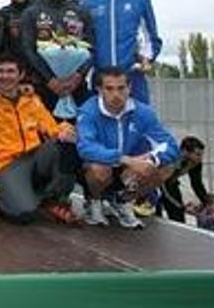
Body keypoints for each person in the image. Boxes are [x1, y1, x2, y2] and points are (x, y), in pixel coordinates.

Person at [0, 54, 79, 224]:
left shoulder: (32, 100)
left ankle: (55, 199)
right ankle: (11, 198)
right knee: (23, 214)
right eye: (0, 72)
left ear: (21, 75)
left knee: (66, 143)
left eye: (11, 71)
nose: (5, 76)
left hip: (34, 157)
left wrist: (65, 129)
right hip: (6, 165)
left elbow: (51, 128)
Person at [77, 66, 180, 229]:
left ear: (130, 88)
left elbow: (170, 146)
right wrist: (125, 159)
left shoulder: (143, 112)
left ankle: (123, 201)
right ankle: (93, 201)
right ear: (99, 89)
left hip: (126, 170)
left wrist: (151, 159)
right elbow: (86, 147)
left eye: (121, 88)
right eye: (109, 89)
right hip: (97, 169)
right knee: (99, 169)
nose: (116, 95)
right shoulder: (88, 111)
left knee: (166, 167)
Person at [81, 0, 162, 103]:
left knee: (137, 124)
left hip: (132, 80)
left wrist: (145, 60)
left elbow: (152, 39)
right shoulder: (87, 4)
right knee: (100, 124)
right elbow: (81, 43)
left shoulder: (141, 1)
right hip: (99, 80)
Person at [19, 0, 94, 115]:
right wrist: (50, 80)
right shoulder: (31, 12)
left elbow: (92, 47)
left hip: (76, 86)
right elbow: (28, 49)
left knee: (77, 133)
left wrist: (79, 76)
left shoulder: (81, 11)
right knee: (47, 135)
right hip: (44, 87)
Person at [159, 136, 209, 222]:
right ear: (185, 151)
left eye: (201, 155)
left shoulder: (196, 163)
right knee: (160, 209)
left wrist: (207, 203)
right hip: (157, 183)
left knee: (178, 216)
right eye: (197, 154)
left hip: (171, 183)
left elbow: (197, 184)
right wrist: (179, 205)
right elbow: (162, 184)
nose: (200, 158)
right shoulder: (171, 159)